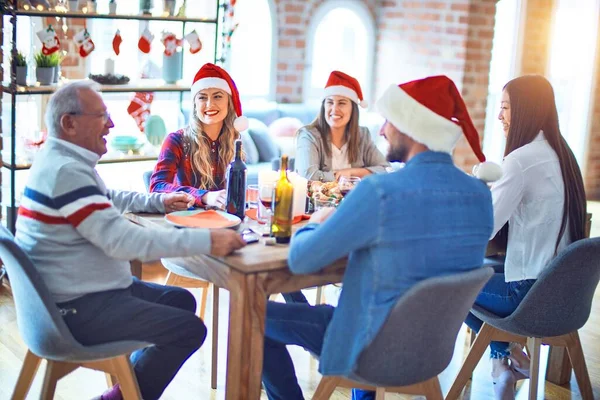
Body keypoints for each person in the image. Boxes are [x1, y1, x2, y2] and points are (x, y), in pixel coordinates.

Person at [260, 75, 502, 400]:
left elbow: (302, 260)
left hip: (367, 347)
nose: (384, 130)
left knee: (253, 317)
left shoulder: (380, 192)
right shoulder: (480, 194)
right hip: (431, 352)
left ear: (410, 126)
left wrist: (315, 222)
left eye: (390, 120)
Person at [15, 81, 246, 400]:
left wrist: (159, 202)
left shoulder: (59, 161)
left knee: (181, 301)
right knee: (190, 330)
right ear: (69, 123)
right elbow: (124, 243)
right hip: (75, 310)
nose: (110, 124)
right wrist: (208, 242)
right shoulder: (66, 172)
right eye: (102, 116)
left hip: (74, 294)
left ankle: (128, 389)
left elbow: (106, 197)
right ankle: (124, 397)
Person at [466, 75, 587, 400]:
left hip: (527, 295)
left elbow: (482, 230)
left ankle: (504, 359)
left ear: (525, 110)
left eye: (505, 107)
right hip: (566, 297)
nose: (500, 116)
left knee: (443, 276)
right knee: (480, 268)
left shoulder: (520, 161)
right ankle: (506, 360)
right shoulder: (564, 155)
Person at [149, 63, 248, 208]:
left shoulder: (234, 140)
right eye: (202, 98)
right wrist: (204, 196)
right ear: (195, 104)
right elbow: (156, 187)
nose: (209, 104)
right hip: (185, 221)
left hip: (222, 221)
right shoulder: (176, 140)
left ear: (229, 102)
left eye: (217, 96)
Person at [295, 70, 389, 182]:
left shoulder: (362, 135)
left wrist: (351, 173)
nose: (334, 109)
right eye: (330, 102)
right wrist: (352, 177)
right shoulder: (308, 135)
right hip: (320, 200)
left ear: (353, 109)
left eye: (342, 103)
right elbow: (308, 176)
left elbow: (385, 169)